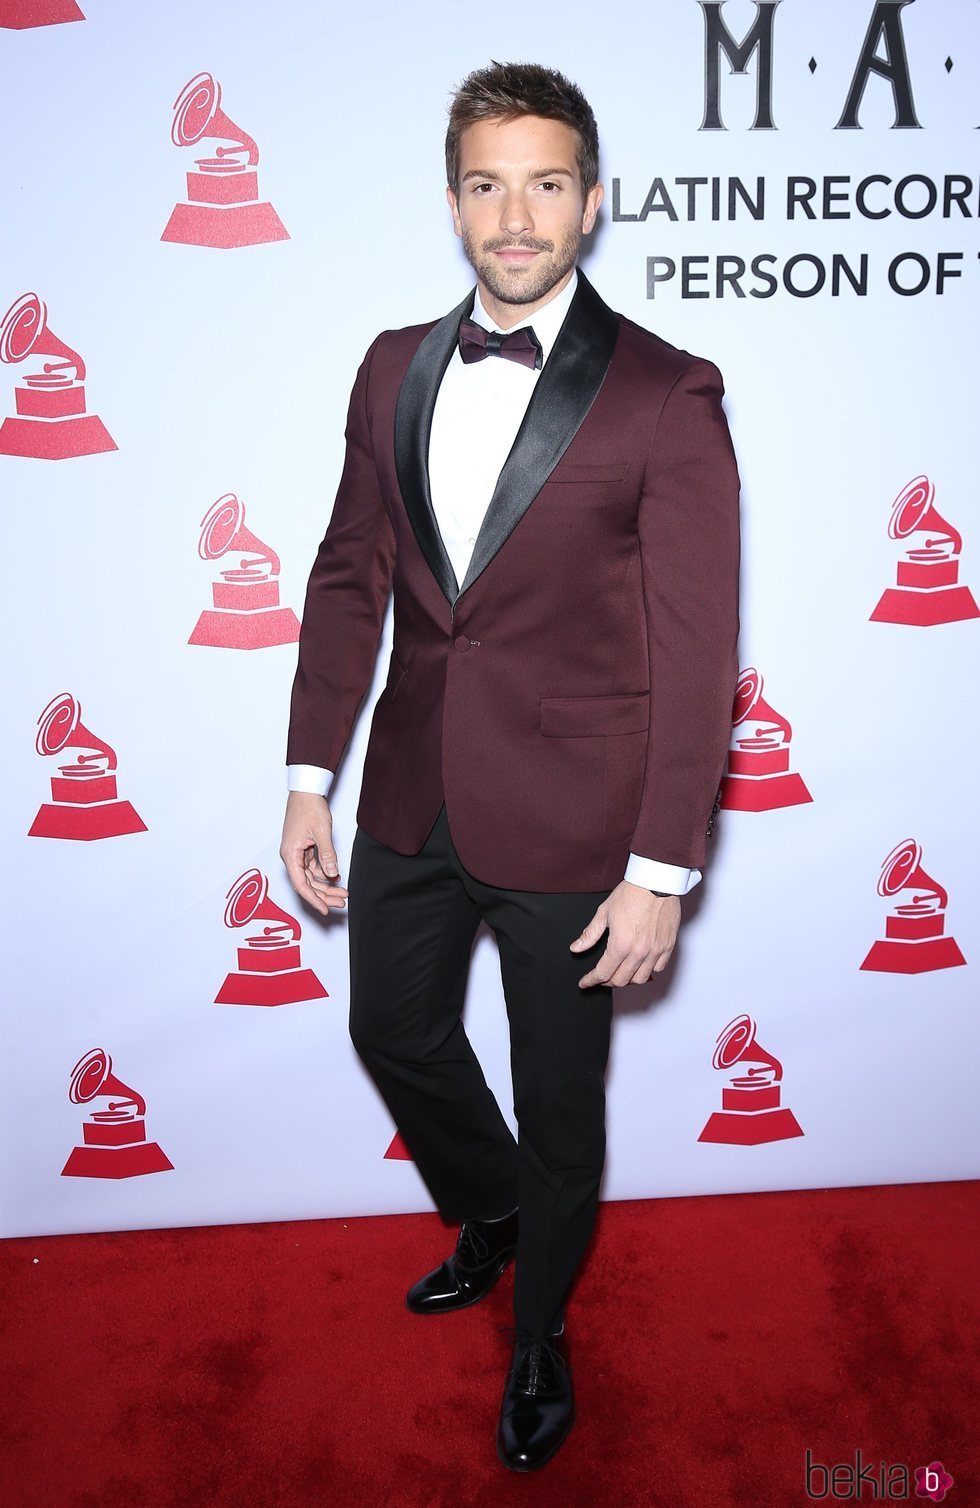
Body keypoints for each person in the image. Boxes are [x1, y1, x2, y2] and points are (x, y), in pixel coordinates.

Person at [280, 60, 741, 1473]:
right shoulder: (391, 363)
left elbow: (697, 645)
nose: (517, 213)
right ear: (454, 203)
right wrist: (311, 773)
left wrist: (662, 871)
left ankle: (540, 1332)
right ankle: (493, 1212)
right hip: (412, 787)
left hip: (581, 825)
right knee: (393, 1033)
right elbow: (349, 576)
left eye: (547, 183)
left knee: (561, 1103)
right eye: (489, 184)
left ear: (592, 203)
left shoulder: (668, 393)